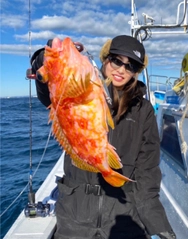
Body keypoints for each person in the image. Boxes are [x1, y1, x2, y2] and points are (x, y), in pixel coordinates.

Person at [31, 35, 176, 239]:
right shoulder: (82, 86)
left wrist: (156, 221)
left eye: (131, 66)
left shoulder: (143, 110)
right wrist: (43, 59)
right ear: (105, 58)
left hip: (123, 214)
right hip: (75, 214)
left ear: (136, 72)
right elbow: (49, 89)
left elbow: (148, 169)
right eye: (117, 60)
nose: (122, 69)